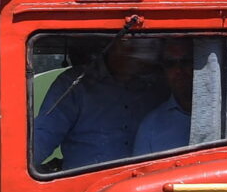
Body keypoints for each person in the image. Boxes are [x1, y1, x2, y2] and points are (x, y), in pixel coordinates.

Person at [29, 34, 169, 172]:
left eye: (147, 43)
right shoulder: (74, 84)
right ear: (112, 43)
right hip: (85, 188)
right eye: (129, 41)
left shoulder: (164, 83)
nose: (141, 51)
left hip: (150, 186)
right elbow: (42, 139)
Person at [133, 48, 196, 155]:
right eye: (170, 63)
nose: (178, 70)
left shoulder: (226, 115)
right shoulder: (151, 126)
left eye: (186, 62)